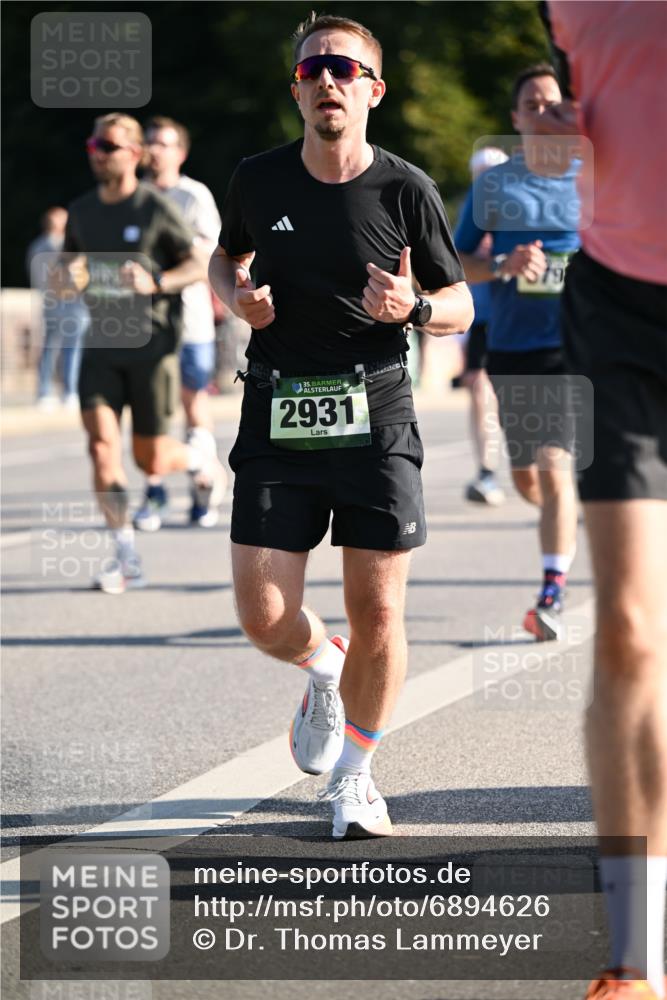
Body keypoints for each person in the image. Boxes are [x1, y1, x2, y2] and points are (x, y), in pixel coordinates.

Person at [209, 13, 473, 839]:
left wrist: (415, 307)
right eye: (312, 67)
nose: (328, 79)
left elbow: (460, 304)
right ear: (296, 85)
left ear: (373, 91)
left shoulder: (405, 189)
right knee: (261, 615)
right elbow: (228, 255)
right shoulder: (258, 178)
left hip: (376, 407)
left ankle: (355, 775)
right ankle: (324, 669)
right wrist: (234, 296)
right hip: (280, 403)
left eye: (345, 69)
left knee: (379, 611)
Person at [539, 5, 667, 996]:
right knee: (626, 627)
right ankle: (636, 956)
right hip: (618, 311)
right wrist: (552, 140)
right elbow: (579, 135)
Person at [63, 112, 225, 594]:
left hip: (152, 348)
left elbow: (199, 262)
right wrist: (68, 279)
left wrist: (156, 281)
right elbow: (70, 266)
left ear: (134, 153)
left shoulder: (156, 208)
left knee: (150, 460)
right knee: (100, 448)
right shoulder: (82, 211)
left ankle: (198, 463)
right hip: (100, 347)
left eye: (108, 146)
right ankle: (125, 554)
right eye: (94, 145)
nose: (98, 153)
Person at [455, 64, 580, 642]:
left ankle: (551, 590)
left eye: (553, 103)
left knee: (554, 467)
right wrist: (502, 265)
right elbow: (452, 263)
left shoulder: (597, 178)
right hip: (513, 345)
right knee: (531, 477)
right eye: (531, 104)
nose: (542, 112)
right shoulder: (495, 186)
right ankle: (567, 515)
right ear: (515, 118)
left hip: (579, 345)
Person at [133, 116, 226, 530]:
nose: (154, 150)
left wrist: (164, 267)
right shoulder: (132, 196)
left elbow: (210, 256)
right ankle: (153, 493)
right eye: (149, 142)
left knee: (192, 404)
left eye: (163, 143)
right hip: (142, 324)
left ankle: (202, 486)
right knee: (149, 411)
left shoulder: (194, 196)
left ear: (180, 153)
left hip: (190, 321)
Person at [460, 147, 508, 507]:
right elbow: (453, 262)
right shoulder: (471, 215)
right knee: (479, 388)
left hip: (519, 319)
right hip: (480, 319)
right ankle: (486, 471)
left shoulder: (518, 212)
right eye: (482, 174)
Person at [26, 206, 89, 410]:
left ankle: (45, 392)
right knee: (69, 348)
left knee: (50, 347)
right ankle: (69, 391)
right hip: (68, 303)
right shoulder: (66, 246)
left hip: (51, 302)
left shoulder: (36, 246)